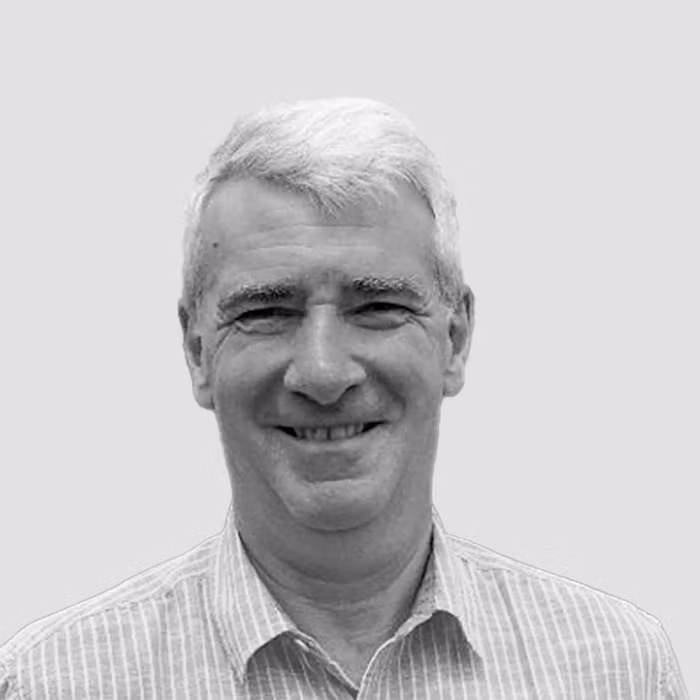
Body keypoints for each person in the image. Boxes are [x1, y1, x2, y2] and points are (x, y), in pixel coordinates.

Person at [0, 98, 687, 699]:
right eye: (266, 312)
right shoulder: (52, 682)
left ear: (455, 339)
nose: (323, 372)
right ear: (196, 350)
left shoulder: (617, 672)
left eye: (378, 307)